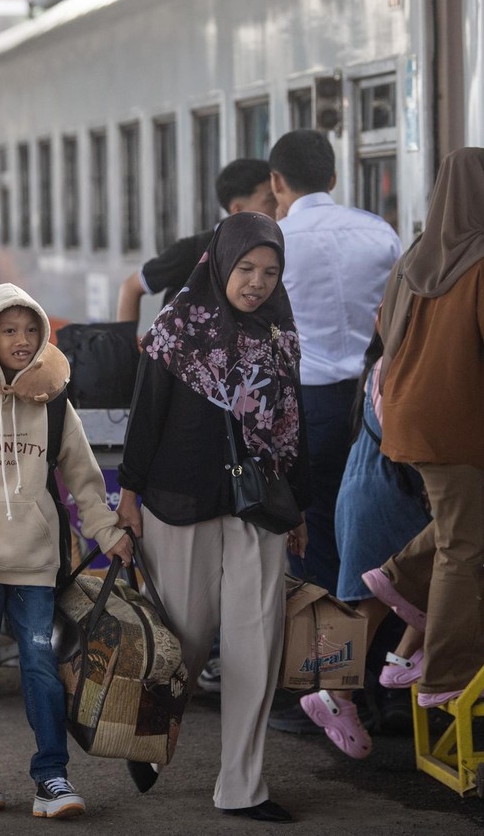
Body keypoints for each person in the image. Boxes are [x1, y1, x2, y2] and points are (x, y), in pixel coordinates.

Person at [116, 212, 310, 823]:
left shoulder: (280, 330)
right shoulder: (177, 327)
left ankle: (243, 788)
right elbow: (145, 414)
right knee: (185, 638)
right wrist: (128, 494)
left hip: (260, 505)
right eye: (247, 268)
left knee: (257, 642)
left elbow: (292, 423)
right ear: (221, 262)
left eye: (270, 270)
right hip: (181, 500)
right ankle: (149, 737)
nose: (257, 281)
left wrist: (297, 504)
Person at [0, 282, 133, 818]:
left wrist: (110, 534)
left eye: (31, 329)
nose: (22, 339)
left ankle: (53, 778)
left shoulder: (54, 401)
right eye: (9, 329)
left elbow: (85, 479)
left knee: (42, 667)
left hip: (35, 562)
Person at [363, 146, 484, 708]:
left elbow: (385, 324)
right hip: (456, 421)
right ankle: (448, 674)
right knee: (463, 546)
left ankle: (400, 576)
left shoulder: (418, 253)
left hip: (413, 413)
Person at [267, 128, 401, 734]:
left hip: (311, 408)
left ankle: (326, 690)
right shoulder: (379, 232)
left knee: (319, 544)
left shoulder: (275, 239)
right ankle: (392, 686)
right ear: (334, 176)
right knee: (388, 539)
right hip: (381, 403)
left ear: (276, 183)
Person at [298, 333, 429, 755]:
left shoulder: (378, 366)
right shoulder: (397, 363)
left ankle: (334, 692)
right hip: (385, 492)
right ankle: (352, 686)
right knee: (379, 595)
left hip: (365, 486)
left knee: (361, 600)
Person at [116, 158, 277, 324]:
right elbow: (131, 287)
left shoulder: (273, 250)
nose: (279, 206)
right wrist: (123, 346)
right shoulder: (194, 250)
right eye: (271, 200)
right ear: (238, 209)